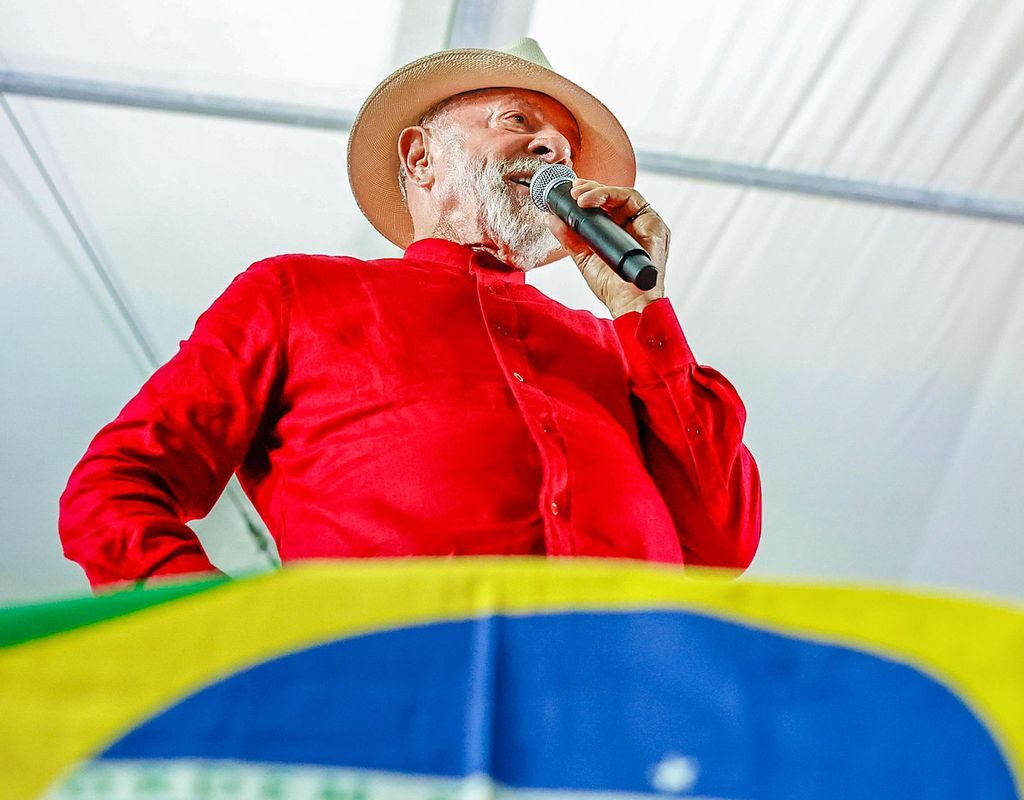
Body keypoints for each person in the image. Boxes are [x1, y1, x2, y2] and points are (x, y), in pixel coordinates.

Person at [59, 39, 761, 588]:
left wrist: (642, 309)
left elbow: (720, 544)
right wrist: (230, 643)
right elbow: (116, 487)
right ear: (421, 158)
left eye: (567, 147)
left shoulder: (622, 351)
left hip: (625, 712)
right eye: (518, 121)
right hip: (388, 708)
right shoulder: (295, 293)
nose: (554, 149)